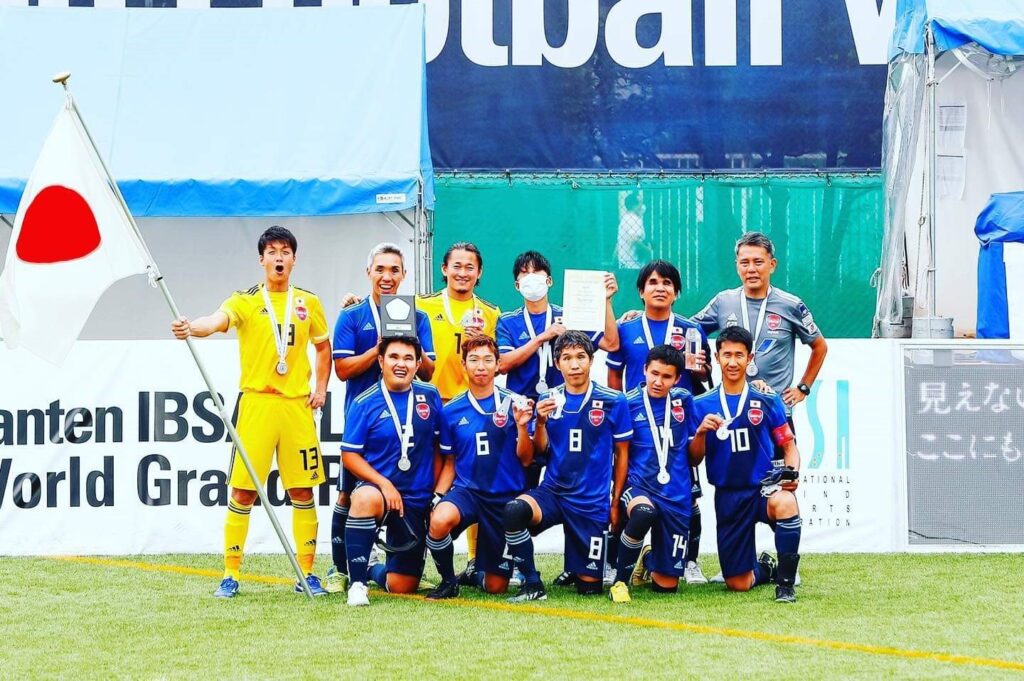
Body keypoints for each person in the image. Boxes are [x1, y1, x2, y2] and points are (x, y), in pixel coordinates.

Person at [170, 225, 330, 598]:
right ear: (261, 259)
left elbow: (323, 348)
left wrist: (320, 388)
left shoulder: (309, 302)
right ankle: (230, 573)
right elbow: (217, 320)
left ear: (294, 259)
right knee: (243, 492)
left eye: (285, 251)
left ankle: (306, 574)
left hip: (295, 406)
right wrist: (192, 327)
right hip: (257, 403)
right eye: (272, 251)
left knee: (303, 491)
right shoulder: (245, 300)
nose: (278, 257)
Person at [324, 243, 436, 593]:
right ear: (368, 272)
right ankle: (340, 569)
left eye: (394, 270)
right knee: (347, 494)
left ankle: (379, 567)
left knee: (403, 582)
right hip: (365, 419)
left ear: (403, 275)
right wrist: (380, 347)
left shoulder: (417, 316)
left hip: (406, 428)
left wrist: (410, 342)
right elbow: (341, 370)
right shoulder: (352, 315)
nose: (387, 277)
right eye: (380, 269)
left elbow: (429, 372)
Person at [502, 331, 633, 602]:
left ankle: (578, 567)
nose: (574, 364)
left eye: (580, 357)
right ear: (556, 363)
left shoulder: (614, 400)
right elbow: (539, 451)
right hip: (553, 492)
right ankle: (532, 584)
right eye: (567, 358)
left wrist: (615, 500)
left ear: (592, 360)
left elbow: (622, 455)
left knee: (589, 589)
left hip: (590, 500)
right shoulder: (548, 399)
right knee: (515, 511)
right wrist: (539, 422)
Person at [606, 259, 710, 586]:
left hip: (677, 425)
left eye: (667, 283)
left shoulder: (692, 329)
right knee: (626, 489)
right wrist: (617, 412)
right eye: (652, 282)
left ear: (676, 292)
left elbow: (706, 375)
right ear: (641, 291)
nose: (660, 287)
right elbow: (613, 374)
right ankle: (616, 564)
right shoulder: (627, 328)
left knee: (688, 493)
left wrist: (701, 369)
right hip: (637, 423)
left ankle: (686, 561)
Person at [688, 326, 803, 603]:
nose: (732, 362)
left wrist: (793, 473)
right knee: (738, 583)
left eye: (739, 355)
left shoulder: (766, 398)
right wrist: (702, 432)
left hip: (763, 488)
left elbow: (788, 445)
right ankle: (766, 568)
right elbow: (693, 458)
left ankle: (786, 585)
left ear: (750, 358)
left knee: (786, 502)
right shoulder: (701, 404)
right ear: (716, 358)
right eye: (726, 355)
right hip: (728, 494)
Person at [690, 231, 828, 454]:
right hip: (732, 414)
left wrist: (803, 387)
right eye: (744, 262)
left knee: (782, 483)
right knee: (735, 483)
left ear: (772, 265)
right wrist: (647, 313)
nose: (751, 269)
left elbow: (819, 346)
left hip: (776, 413)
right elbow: (688, 329)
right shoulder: (723, 302)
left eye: (758, 262)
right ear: (737, 266)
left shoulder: (790, 305)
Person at [496, 250, 619, 495]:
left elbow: (612, 344)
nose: (531, 278)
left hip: (564, 413)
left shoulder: (570, 313)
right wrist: (544, 336)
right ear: (517, 285)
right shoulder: (507, 321)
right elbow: (503, 364)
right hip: (522, 413)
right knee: (520, 489)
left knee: (567, 486)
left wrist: (606, 301)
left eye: (537, 273)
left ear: (549, 281)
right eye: (524, 274)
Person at [340, 336, 446, 606]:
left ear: (418, 363)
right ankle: (357, 583)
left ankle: (373, 567)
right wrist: (383, 484)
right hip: (379, 490)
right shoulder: (364, 401)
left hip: (415, 498)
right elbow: (350, 455)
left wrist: (435, 495)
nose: (401, 364)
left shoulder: (430, 396)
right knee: (363, 498)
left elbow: (438, 449)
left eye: (409, 358)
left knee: (402, 586)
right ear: (380, 361)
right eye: (394, 357)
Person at [425, 336, 534, 599]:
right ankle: (449, 581)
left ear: (498, 364)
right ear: (463, 365)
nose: (481, 366)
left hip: (504, 499)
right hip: (468, 492)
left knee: (496, 587)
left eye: (488, 360)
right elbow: (451, 462)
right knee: (439, 519)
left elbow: (528, 459)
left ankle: (476, 572)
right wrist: (437, 497)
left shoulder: (516, 403)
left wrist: (521, 425)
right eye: (473, 360)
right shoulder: (450, 411)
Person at [417, 241, 501, 574]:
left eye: (470, 267)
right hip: (431, 406)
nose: (463, 272)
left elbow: (495, 361)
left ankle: (474, 560)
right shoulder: (421, 306)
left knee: (474, 480)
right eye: (457, 266)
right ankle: (418, 555)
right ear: (444, 269)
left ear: (479, 273)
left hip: (471, 410)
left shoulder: (490, 312)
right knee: (428, 479)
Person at [609, 345, 696, 603]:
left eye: (667, 376)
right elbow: (619, 454)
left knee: (666, 586)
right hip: (639, 486)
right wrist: (615, 498)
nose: (658, 381)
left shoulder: (685, 401)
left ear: (677, 378)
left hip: (676, 493)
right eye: (654, 373)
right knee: (644, 512)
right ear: (644, 370)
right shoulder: (626, 402)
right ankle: (620, 583)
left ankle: (648, 558)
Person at [615, 191, 652, 270]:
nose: (642, 206)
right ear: (635, 205)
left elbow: (618, 244)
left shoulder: (624, 219)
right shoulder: (635, 219)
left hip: (623, 264)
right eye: (640, 203)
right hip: (634, 264)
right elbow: (634, 239)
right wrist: (648, 250)